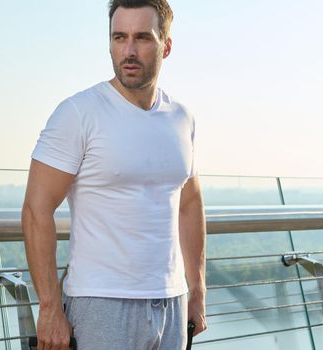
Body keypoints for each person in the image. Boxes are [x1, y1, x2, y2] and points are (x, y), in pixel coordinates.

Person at [21, 0, 206, 349]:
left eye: (143, 38)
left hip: (171, 302)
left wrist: (197, 289)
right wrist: (48, 308)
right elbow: (36, 210)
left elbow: (189, 202)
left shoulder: (182, 119)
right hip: (100, 303)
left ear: (166, 46)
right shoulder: (78, 113)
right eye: (119, 37)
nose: (129, 50)